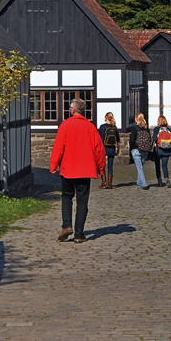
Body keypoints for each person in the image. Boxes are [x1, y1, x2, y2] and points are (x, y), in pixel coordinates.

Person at [50, 98, 106, 243]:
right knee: (82, 201)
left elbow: (58, 147)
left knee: (67, 197)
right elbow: (99, 149)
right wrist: (101, 168)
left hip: (68, 169)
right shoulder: (90, 127)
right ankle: (79, 234)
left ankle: (67, 225)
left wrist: (53, 165)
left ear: (73, 110)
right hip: (85, 170)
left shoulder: (65, 125)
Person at [128, 113, 154, 190]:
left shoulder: (134, 128)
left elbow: (132, 139)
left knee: (140, 168)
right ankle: (139, 184)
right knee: (141, 168)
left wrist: (131, 148)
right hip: (145, 150)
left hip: (136, 149)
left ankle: (144, 184)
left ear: (136, 119)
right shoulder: (146, 128)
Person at [151, 115, 171, 187]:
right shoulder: (169, 129)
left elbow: (155, 139)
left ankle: (159, 181)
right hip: (167, 150)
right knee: (165, 166)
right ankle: (167, 178)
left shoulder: (156, 129)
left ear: (159, 121)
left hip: (158, 150)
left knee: (157, 166)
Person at [97, 112, 120, 189]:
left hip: (103, 148)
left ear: (106, 117)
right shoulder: (115, 127)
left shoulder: (102, 127)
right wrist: (118, 150)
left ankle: (104, 181)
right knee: (110, 166)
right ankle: (110, 184)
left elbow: (100, 139)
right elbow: (118, 140)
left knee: (102, 165)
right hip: (112, 148)